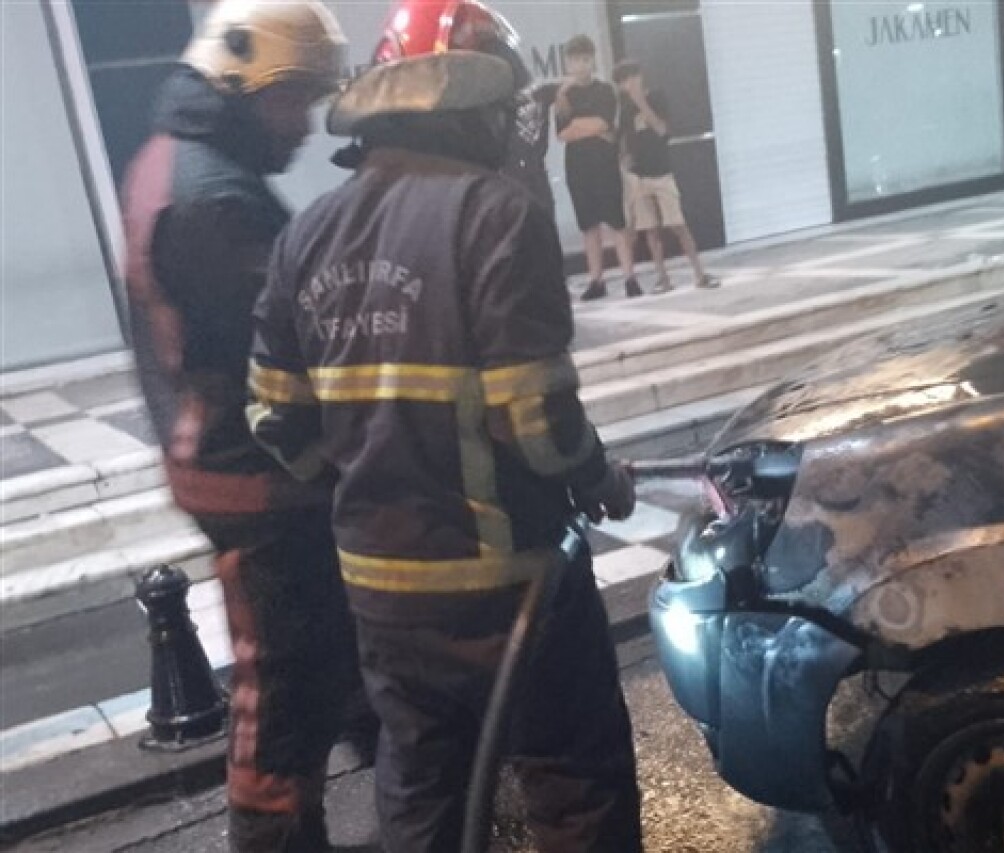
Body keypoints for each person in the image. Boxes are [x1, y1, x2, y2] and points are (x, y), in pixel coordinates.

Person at [246, 2, 645, 850]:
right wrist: (600, 478)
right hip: (512, 585)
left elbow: (275, 419)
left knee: (423, 787)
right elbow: (535, 420)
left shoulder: (305, 234)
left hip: (382, 591)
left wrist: (369, 479)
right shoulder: (497, 214)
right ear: (474, 104)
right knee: (576, 780)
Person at [120, 3, 364, 850]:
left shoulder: (174, 159)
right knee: (285, 681)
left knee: (330, 650)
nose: (304, 124)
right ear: (241, 80)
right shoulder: (216, 199)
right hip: (256, 478)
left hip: (227, 461)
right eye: (293, 99)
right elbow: (297, 340)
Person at [613, 59, 719, 294]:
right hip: (639, 176)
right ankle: (663, 278)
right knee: (650, 230)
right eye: (623, 81)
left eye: (632, 77)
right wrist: (624, 158)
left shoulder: (657, 97)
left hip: (662, 172)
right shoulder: (625, 110)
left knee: (678, 224)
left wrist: (641, 102)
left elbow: (662, 130)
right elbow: (623, 138)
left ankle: (700, 273)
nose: (629, 84)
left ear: (641, 76)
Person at [556, 35, 642, 301]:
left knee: (617, 222)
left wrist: (581, 125)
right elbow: (563, 133)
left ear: (592, 60)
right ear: (567, 63)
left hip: (605, 165)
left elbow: (605, 123)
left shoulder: (605, 90)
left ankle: (630, 278)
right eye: (574, 60)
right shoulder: (564, 95)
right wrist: (589, 127)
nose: (580, 65)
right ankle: (596, 280)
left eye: (584, 59)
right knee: (588, 225)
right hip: (577, 167)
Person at [505, 80, 561, 214]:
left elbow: (569, 84)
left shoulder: (541, 92)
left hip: (536, 165)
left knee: (544, 208)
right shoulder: (500, 99)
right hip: (512, 167)